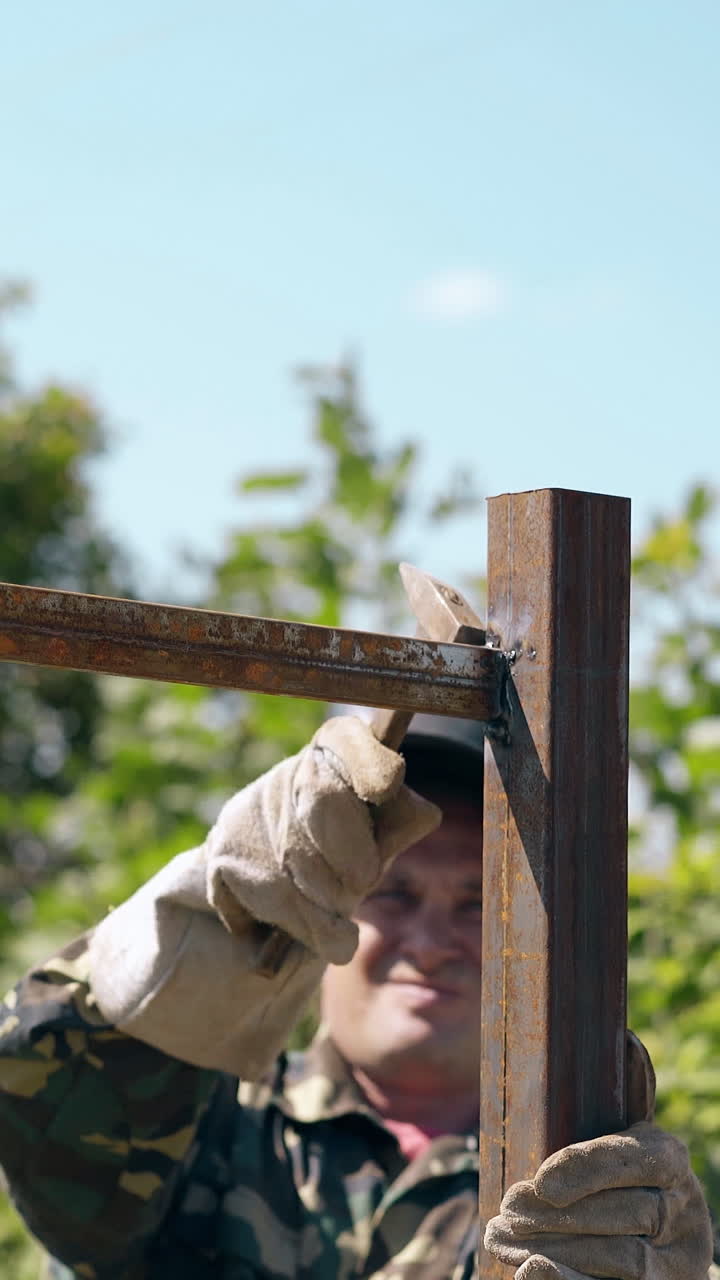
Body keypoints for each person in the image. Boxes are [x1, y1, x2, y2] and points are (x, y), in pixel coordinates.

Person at [0, 713, 714, 1279]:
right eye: (393, 892)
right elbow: (33, 1085)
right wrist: (216, 920)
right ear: (318, 905)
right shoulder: (202, 1122)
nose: (429, 943)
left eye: (478, 905)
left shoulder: (585, 1189)